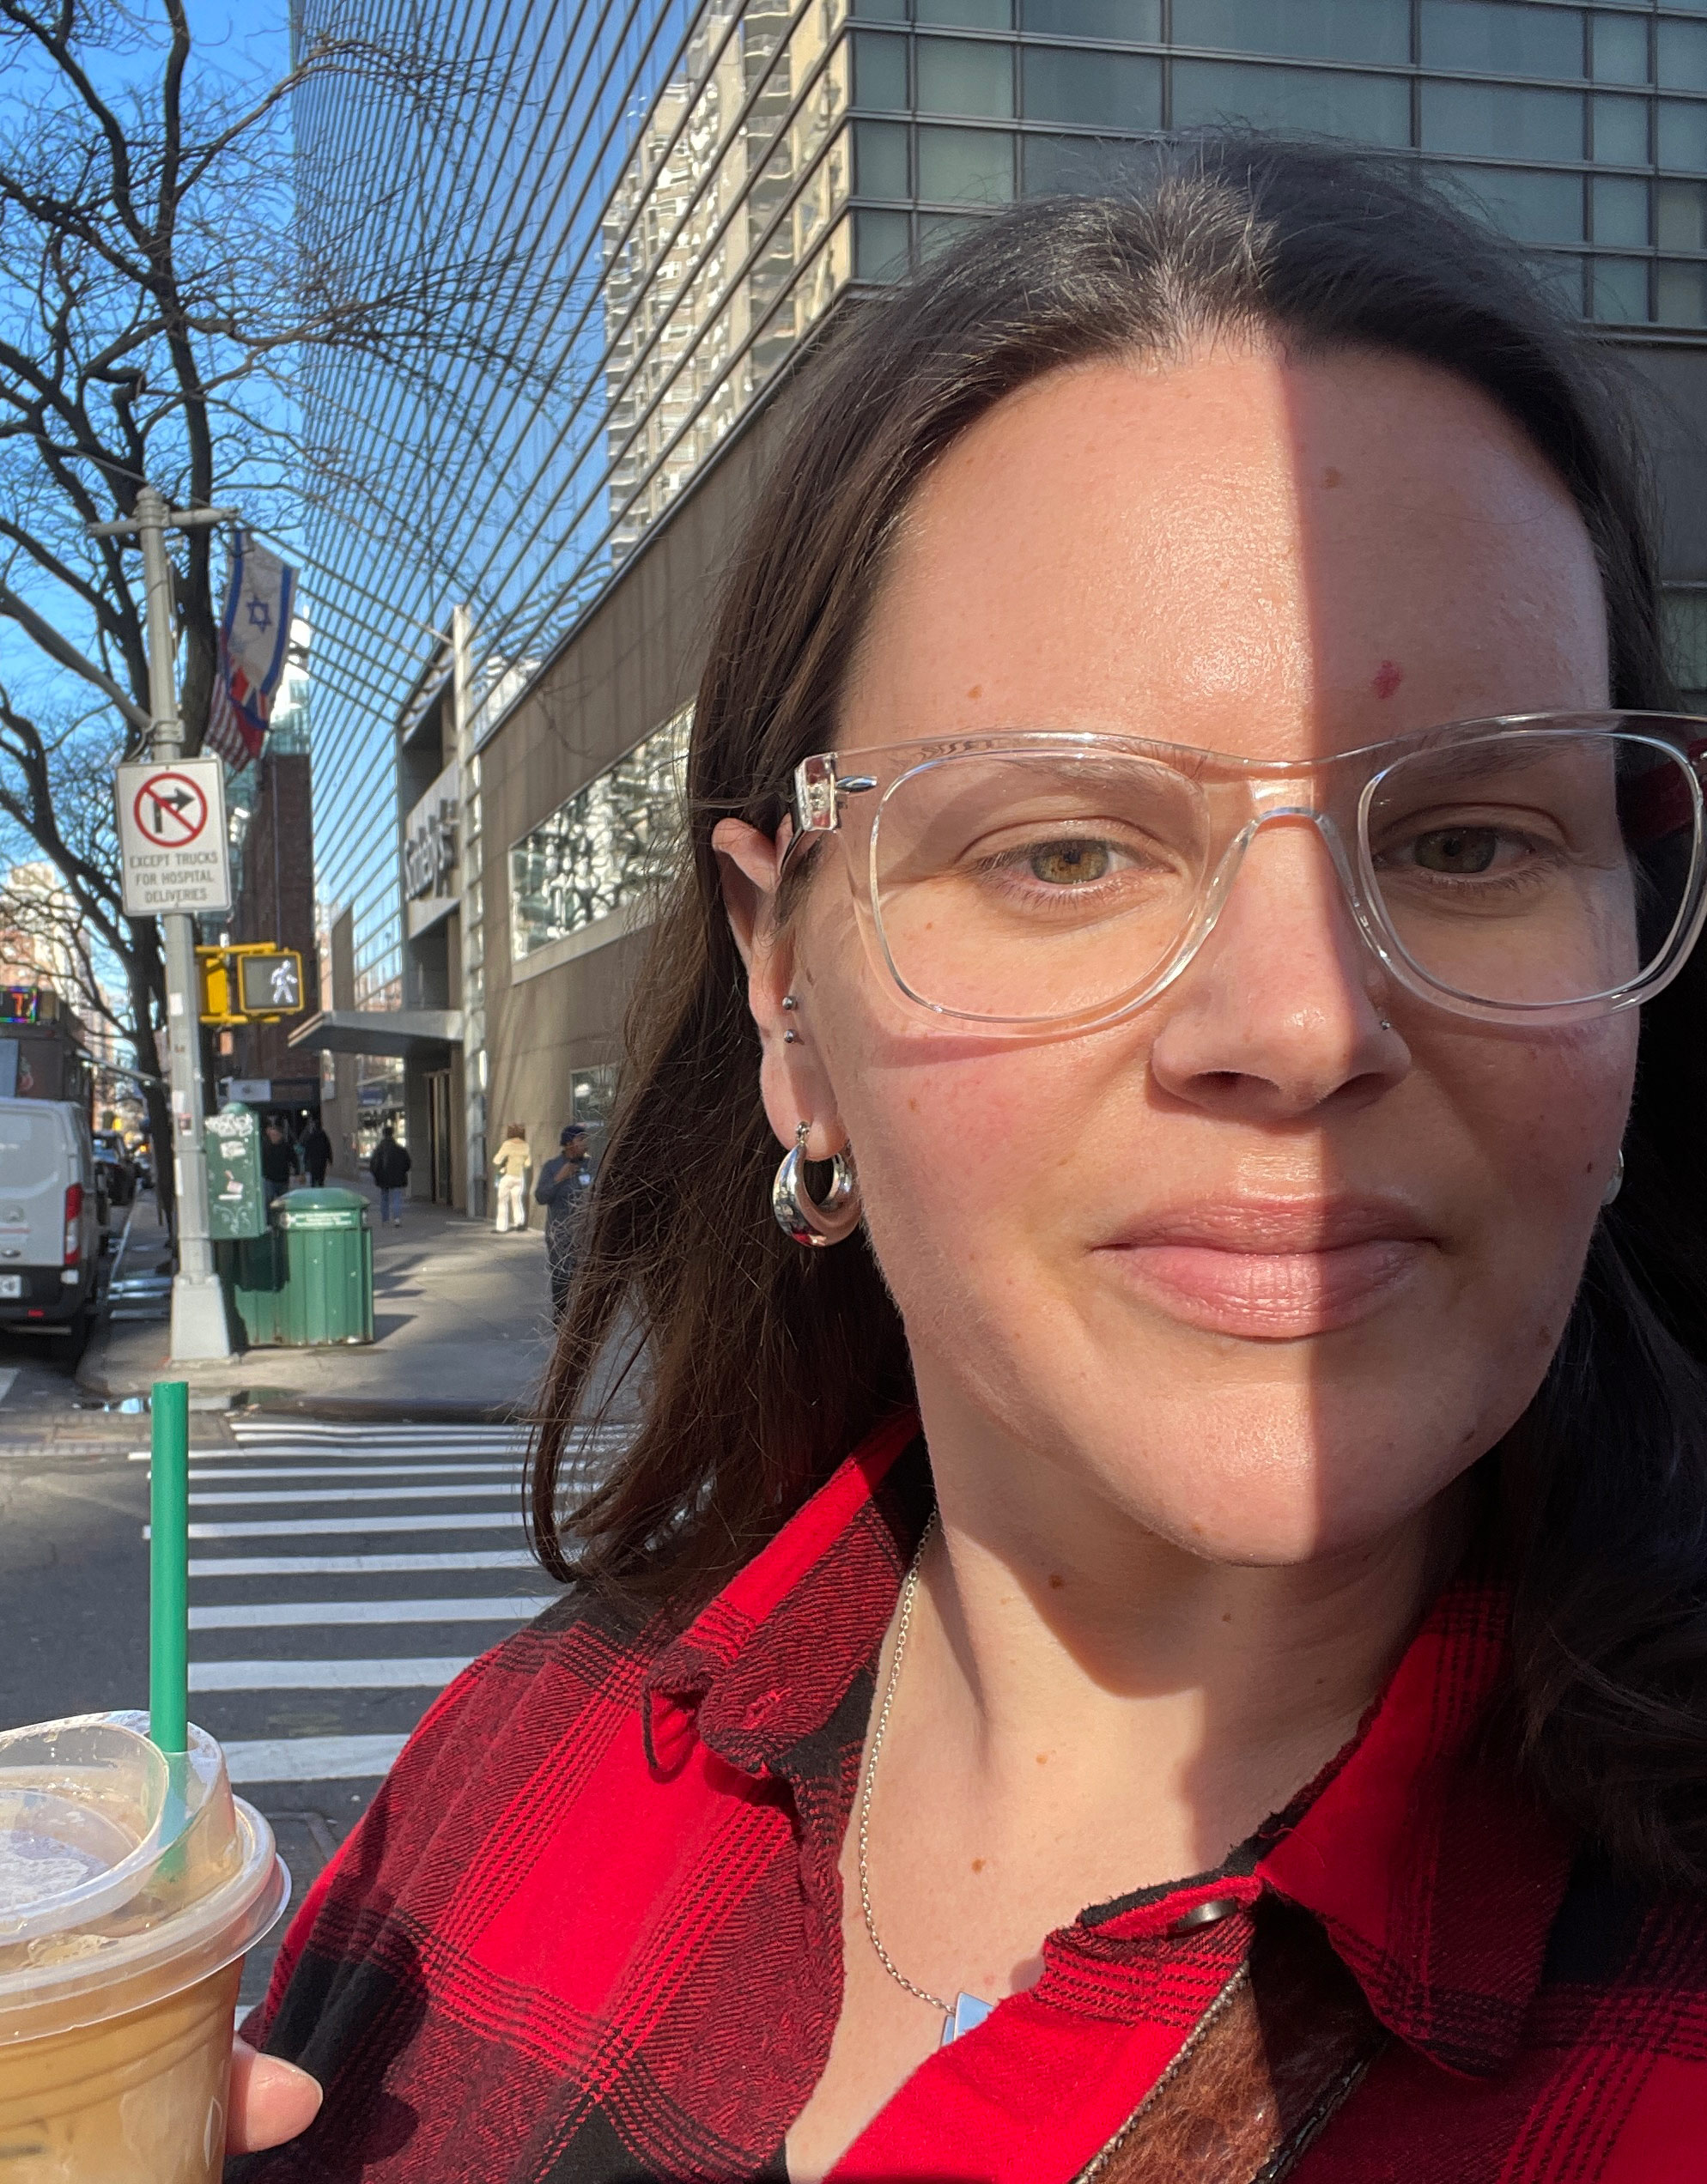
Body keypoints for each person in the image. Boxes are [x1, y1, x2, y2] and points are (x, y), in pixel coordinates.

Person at [224, 141, 1707, 2179]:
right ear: (786, 992)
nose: (1301, 1026)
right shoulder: (503, 1793)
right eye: (1064, 851)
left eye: (1469, 840)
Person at [534, 1123, 591, 1316]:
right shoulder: (552, 1167)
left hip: (586, 1234)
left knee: (587, 1280)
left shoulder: (591, 1166)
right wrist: (559, 1178)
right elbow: (541, 1197)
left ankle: (584, 1319)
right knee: (561, 1280)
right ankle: (561, 1317)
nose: (585, 1143)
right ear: (568, 1144)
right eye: (581, 1139)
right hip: (560, 1235)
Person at [367, 1122, 410, 1227]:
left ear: (383, 1134)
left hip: (383, 1178)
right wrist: (402, 1172)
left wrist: (376, 1175)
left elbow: (373, 1164)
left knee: (384, 1198)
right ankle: (397, 1219)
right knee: (397, 1197)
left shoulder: (379, 1150)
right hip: (397, 1178)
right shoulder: (399, 1149)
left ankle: (385, 1220)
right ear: (392, 1134)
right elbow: (407, 1163)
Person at [491, 1120, 531, 1233]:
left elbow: (497, 1160)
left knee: (502, 1202)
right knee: (517, 1200)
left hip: (507, 1176)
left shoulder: (507, 1144)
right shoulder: (526, 1145)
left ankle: (501, 1227)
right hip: (519, 1177)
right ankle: (519, 1223)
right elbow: (528, 1164)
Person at [258, 1117, 295, 1206]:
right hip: (269, 1178)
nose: (275, 1136)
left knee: (283, 1203)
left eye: (276, 1134)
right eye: (273, 1134)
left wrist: (298, 1172)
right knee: (268, 1202)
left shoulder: (285, 1146)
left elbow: (294, 1159)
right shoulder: (265, 1146)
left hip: (282, 1179)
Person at [300, 1118, 332, 1189]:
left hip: (314, 1160)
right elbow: (328, 1148)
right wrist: (330, 1159)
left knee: (314, 1176)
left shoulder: (312, 1136)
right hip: (322, 1160)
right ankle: (320, 1186)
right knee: (321, 1176)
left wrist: (305, 1159)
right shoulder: (324, 1136)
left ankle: (314, 1187)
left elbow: (308, 1148)